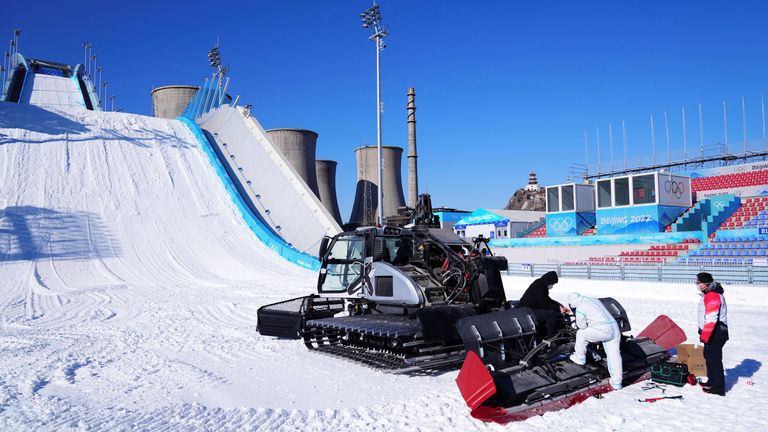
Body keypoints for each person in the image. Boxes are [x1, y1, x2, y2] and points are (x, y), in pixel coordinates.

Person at [567, 292, 624, 390]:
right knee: (614, 355)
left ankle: (580, 357)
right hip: (614, 328)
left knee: (581, 334)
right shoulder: (594, 299)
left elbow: (582, 326)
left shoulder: (580, 307)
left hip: (603, 330)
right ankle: (617, 382)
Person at [696, 272, 729, 396]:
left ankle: (718, 387)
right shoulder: (708, 294)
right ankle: (712, 380)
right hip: (710, 332)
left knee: (714, 359)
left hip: (715, 332)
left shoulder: (713, 295)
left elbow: (711, 319)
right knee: (709, 357)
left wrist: (705, 336)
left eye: (698, 282)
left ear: (705, 284)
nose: (697, 284)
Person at [518, 271, 569, 339]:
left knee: (555, 312)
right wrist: (558, 309)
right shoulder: (538, 286)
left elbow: (547, 299)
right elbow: (544, 304)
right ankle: (551, 336)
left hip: (532, 309)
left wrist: (559, 307)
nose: (552, 286)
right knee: (551, 314)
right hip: (526, 311)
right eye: (552, 283)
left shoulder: (541, 284)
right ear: (549, 280)